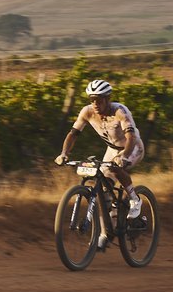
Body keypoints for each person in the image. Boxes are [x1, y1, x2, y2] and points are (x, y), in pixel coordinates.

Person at [54, 79, 145, 222]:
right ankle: (108, 227)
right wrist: (64, 153)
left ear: (107, 98)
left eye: (99, 100)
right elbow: (73, 134)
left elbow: (131, 137)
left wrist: (125, 156)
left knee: (116, 168)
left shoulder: (120, 111)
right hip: (112, 149)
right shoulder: (87, 112)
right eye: (92, 99)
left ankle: (135, 199)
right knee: (104, 187)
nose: (95, 103)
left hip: (132, 147)